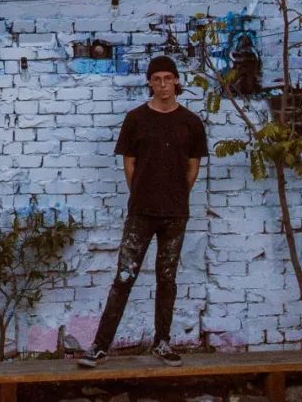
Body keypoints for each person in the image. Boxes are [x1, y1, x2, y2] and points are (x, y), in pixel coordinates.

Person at [78, 55, 207, 369]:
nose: (163, 85)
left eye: (168, 78)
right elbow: (129, 163)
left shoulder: (191, 122)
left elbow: (193, 166)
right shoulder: (136, 118)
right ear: (149, 83)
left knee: (167, 279)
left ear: (176, 81)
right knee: (124, 277)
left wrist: (177, 195)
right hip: (141, 211)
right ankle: (99, 347)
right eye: (157, 79)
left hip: (175, 213)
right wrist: (142, 193)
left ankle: (162, 343)